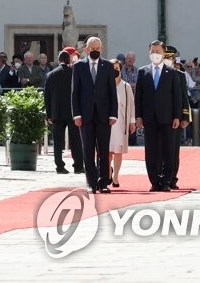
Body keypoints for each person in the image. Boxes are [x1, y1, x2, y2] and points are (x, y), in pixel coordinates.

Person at [134, 40, 184, 192]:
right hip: (149, 118)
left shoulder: (172, 72)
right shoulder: (143, 72)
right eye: (152, 51)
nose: (155, 54)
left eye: (158, 51)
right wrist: (138, 116)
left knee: (169, 150)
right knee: (151, 150)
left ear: (164, 53)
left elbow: (177, 96)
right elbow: (139, 96)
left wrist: (177, 116)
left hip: (167, 117)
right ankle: (155, 181)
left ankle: (166, 181)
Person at [71, 37, 118, 193]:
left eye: (98, 48)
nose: (95, 51)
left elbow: (112, 92)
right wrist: (76, 115)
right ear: (86, 49)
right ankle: (91, 183)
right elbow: (75, 93)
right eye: (93, 48)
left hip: (104, 116)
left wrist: (113, 114)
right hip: (85, 116)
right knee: (88, 151)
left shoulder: (108, 66)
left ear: (102, 49)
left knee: (104, 151)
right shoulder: (78, 67)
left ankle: (103, 182)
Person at [44, 48, 83, 175]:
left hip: (57, 113)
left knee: (57, 142)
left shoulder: (51, 74)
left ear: (58, 60)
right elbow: (79, 93)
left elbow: (47, 96)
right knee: (75, 140)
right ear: (68, 60)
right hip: (72, 112)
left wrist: (49, 114)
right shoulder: (73, 73)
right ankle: (78, 166)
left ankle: (59, 166)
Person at [164, 46, 192, 189]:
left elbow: (184, 98)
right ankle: (162, 177)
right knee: (161, 150)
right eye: (166, 58)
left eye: (170, 58)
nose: (169, 60)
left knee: (174, 150)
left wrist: (185, 117)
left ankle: (172, 178)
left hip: (176, 118)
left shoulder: (179, 75)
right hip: (161, 117)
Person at [108, 59, 135, 187]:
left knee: (118, 150)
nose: (115, 71)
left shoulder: (126, 86)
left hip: (120, 123)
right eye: (112, 68)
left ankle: (116, 177)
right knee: (107, 151)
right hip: (107, 123)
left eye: (117, 68)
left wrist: (132, 122)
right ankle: (108, 172)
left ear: (120, 70)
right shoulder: (104, 84)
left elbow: (131, 105)